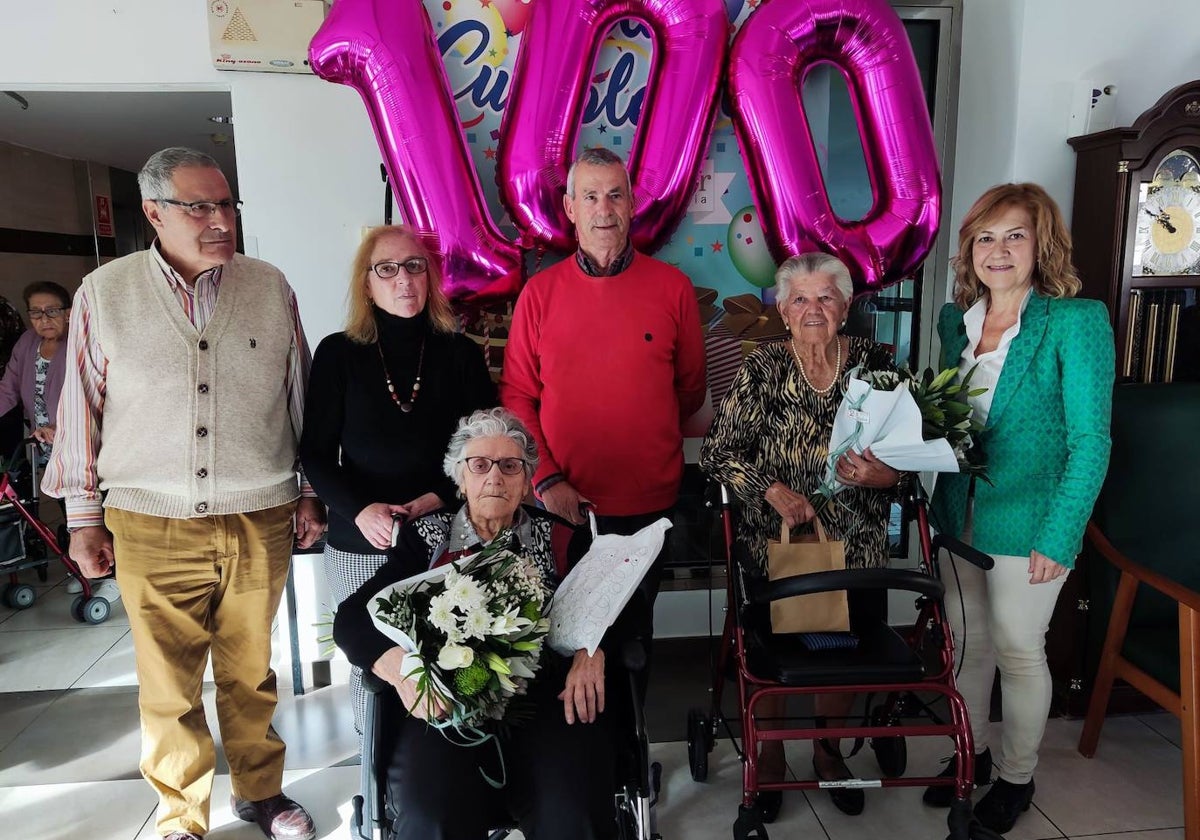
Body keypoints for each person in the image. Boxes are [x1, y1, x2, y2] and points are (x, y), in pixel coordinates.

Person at [41, 147, 326, 840]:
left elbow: (303, 400)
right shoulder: (104, 294)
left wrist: (311, 490)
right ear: (154, 213)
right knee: (168, 686)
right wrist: (82, 519)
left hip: (260, 515)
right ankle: (180, 815)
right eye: (199, 206)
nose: (219, 220)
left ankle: (261, 792)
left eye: (226, 205)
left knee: (250, 673)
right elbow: (78, 411)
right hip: (148, 521)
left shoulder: (268, 285)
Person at [924, 183, 1114, 833]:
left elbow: (1091, 442)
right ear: (968, 250)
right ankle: (968, 758)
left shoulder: (1074, 321)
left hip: (1033, 519)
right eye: (985, 237)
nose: (998, 250)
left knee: (1018, 649)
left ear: (1041, 246)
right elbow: (948, 420)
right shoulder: (957, 322)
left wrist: (1060, 536)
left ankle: (1015, 779)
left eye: (1014, 236)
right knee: (967, 646)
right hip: (958, 514)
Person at [334, 407, 618, 840]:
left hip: (546, 698)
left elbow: (617, 607)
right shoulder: (426, 539)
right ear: (460, 478)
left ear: (526, 481)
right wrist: (400, 670)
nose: (495, 477)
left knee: (573, 811)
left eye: (510, 466)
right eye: (479, 465)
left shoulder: (561, 537)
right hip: (445, 702)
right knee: (431, 815)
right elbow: (354, 617)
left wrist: (591, 650)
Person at [700, 252, 903, 820]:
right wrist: (771, 490)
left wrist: (887, 474)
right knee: (772, 656)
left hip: (858, 544)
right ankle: (769, 758)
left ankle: (828, 751)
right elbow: (718, 454)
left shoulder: (876, 366)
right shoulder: (762, 367)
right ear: (784, 312)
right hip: (778, 545)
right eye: (800, 300)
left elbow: (909, 453)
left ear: (845, 306)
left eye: (826, 297)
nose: (814, 309)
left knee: (847, 654)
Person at [299, 224, 495, 737]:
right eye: (387, 269)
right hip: (360, 537)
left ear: (429, 278)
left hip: (445, 531)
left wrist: (436, 497)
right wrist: (361, 510)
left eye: (414, 267)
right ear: (367, 283)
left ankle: (451, 760)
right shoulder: (338, 354)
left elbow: (483, 450)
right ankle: (377, 768)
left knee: (450, 652)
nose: (403, 280)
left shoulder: (460, 354)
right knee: (377, 662)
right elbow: (316, 454)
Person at [500, 146, 706, 634]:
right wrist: (547, 480)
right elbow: (516, 397)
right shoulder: (540, 293)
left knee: (633, 641)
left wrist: (640, 432)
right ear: (570, 209)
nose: (604, 209)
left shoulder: (674, 288)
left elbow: (691, 391)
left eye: (615, 195)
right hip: (563, 502)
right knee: (561, 637)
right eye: (590, 196)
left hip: (649, 505)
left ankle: (632, 715)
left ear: (632, 204)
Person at [0, 281, 116, 596]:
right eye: (36, 312)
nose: (44, 318)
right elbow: (8, 389)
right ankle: (88, 566)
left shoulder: (80, 342)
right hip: (45, 442)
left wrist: (58, 426)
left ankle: (112, 575)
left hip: (82, 440)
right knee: (70, 506)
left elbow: (89, 394)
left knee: (95, 505)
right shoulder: (25, 344)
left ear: (68, 312)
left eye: (52, 310)